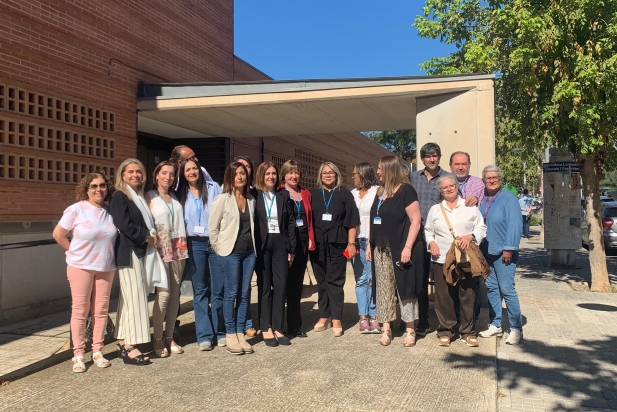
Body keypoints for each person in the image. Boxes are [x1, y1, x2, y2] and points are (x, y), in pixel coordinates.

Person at [52, 172, 117, 373]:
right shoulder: (76, 209)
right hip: (81, 266)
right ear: (86, 189)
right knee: (80, 311)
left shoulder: (110, 211)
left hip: (106, 267)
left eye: (102, 185)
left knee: (101, 311)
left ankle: (97, 350)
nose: (99, 189)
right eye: (94, 186)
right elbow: (58, 234)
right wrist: (73, 251)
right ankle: (78, 354)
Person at [110, 158, 166, 365]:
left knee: (128, 300)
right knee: (136, 299)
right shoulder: (119, 196)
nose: (135, 175)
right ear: (122, 175)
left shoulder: (139, 197)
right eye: (130, 172)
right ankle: (130, 345)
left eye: (138, 172)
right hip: (129, 252)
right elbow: (123, 224)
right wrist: (146, 236)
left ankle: (123, 341)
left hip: (141, 251)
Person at [424, 174, 487, 347]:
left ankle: (468, 331)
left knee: (467, 294)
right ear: (441, 191)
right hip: (441, 259)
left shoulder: (469, 207)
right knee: (444, 296)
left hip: (465, 258)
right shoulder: (435, 210)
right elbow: (428, 230)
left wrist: (471, 236)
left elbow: (481, 227)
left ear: (457, 186)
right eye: (445, 187)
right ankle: (446, 330)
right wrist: (431, 243)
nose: (449, 189)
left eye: (451, 185)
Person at [367, 156, 423, 347]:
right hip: (380, 248)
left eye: (380, 168)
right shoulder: (380, 192)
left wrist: (408, 247)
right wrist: (369, 243)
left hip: (400, 247)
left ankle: (409, 330)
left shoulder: (406, 190)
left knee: (405, 289)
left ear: (390, 170)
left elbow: (416, 220)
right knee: (383, 289)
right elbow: (373, 220)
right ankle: (386, 328)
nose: (377, 172)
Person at [209, 162, 257, 355]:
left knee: (245, 293)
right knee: (231, 293)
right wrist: (219, 249)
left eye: (243, 173)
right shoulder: (223, 199)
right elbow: (212, 228)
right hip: (230, 253)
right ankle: (230, 333)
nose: (240, 177)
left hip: (249, 253)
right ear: (230, 177)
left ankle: (240, 332)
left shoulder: (251, 198)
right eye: (236, 174)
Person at [177, 157, 223, 351]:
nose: (192, 172)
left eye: (194, 168)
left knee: (219, 288)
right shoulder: (179, 193)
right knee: (200, 289)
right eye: (187, 170)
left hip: (215, 241)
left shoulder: (213, 188)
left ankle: (221, 331)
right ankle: (204, 335)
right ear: (183, 173)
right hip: (194, 243)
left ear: (200, 170)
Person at [310, 162, 360, 337]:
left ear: (337, 174)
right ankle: (324, 315)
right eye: (324, 173)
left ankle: (337, 317)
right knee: (322, 281)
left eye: (331, 172)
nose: (328, 175)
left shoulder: (344, 194)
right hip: (317, 243)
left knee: (336, 281)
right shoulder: (313, 194)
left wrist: (351, 243)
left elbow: (352, 220)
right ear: (320, 175)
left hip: (338, 242)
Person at [145, 161, 189, 357]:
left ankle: (169, 336)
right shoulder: (149, 197)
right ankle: (157, 338)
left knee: (175, 294)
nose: (168, 177)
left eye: (171, 174)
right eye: (164, 173)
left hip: (178, 248)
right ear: (156, 175)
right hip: (160, 249)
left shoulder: (174, 196)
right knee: (163, 294)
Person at [478, 165, 524, 345]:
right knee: (491, 288)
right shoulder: (484, 198)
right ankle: (496, 323)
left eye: (495, 177)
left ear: (500, 179)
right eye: (488, 178)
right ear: (483, 180)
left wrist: (509, 248)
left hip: (504, 252)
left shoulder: (508, 198)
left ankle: (516, 328)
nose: (491, 180)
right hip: (485, 252)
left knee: (507, 289)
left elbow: (515, 225)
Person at [253, 162, 296, 346]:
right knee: (264, 287)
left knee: (280, 286)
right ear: (261, 175)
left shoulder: (283, 195)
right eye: (267, 173)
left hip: (280, 244)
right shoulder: (254, 195)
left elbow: (291, 222)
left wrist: (291, 248)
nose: (271, 176)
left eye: (273, 173)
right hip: (262, 245)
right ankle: (265, 327)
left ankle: (278, 326)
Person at [410, 142, 446, 334]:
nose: (432, 159)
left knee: (443, 282)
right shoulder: (413, 177)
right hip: (417, 237)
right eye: (428, 156)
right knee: (421, 281)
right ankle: (423, 321)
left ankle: (446, 323)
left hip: (440, 238)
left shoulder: (448, 178)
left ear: (439, 157)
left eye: (435, 155)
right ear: (422, 159)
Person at [280, 160, 315, 338]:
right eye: (290, 173)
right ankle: (278, 326)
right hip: (286, 245)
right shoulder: (279, 193)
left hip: (302, 245)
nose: (294, 176)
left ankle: (294, 325)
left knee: (296, 287)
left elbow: (309, 220)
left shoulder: (305, 194)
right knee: (281, 287)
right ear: (284, 175)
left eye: (296, 173)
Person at [351, 162, 380, 334]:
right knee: (361, 279)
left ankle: (374, 315)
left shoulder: (378, 192)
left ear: (363, 174)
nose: (353, 176)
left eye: (355, 173)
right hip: (356, 240)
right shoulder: (352, 194)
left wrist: (371, 240)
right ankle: (363, 316)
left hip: (373, 240)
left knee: (372, 278)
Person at [234, 155, 259, 337]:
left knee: (245, 288)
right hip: (232, 250)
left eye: (246, 168)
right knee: (230, 289)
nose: (243, 172)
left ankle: (246, 323)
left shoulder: (254, 194)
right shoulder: (225, 193)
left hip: (251, 248)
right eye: (239, 168)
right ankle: (229, 327)